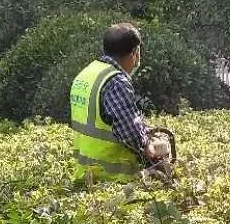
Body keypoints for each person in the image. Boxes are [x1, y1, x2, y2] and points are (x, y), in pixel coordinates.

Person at [70, 23, 163, 182]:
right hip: (111, 178)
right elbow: (129, 133)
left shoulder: (87, 73)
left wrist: (145, 129)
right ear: (135, 52)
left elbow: (102, 121)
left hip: (85, 174)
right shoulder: (116, 82)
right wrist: (149, 146)